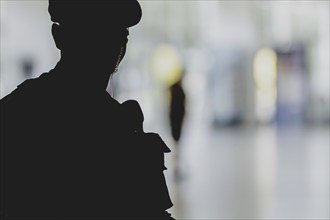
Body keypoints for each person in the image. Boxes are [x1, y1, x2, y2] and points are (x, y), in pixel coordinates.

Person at [0, 1, 174, 219]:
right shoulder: (118, 124)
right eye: (93, 31)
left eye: (119, 32)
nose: (113, 43)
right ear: (59, 36)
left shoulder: (15, 111)